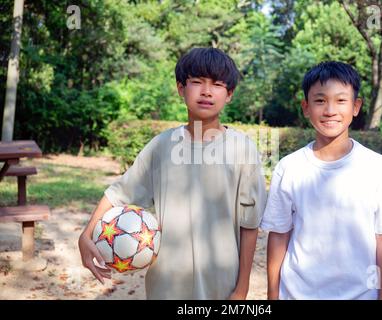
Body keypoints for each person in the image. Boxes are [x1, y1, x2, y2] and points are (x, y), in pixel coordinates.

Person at [78, 47, 267, 299]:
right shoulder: (161, 146)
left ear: (229, 94)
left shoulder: (243, 149)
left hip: (222, 284)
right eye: (197, 82)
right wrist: (86, 233)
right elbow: (119, 193)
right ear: (181, 89)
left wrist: (242, 288)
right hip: (166, 285)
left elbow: (250, 225)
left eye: (217, 84)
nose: (206, 91)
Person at [261, 61, 382, 300]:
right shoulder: (289, 168)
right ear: (306, 107)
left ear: (356, 106)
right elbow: (279, 234)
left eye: (341, 100)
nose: (330, 110)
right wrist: (272, 293)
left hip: (361, 295)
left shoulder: (378, 168)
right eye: (320, 101)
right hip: (297, 294)